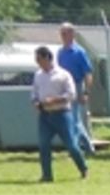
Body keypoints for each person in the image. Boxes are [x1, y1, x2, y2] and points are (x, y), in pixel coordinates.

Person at [31, 45, 88, 181]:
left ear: (47, 58)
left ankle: (83, 168)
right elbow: (34, 93)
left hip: (62, 114)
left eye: (39, 59)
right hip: (45, 116)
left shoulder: (63, 74)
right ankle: (47, 175)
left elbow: (71, 94)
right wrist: (35, 103)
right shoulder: (38, 75)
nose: (37, 62)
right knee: (44, 145)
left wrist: (55, 100)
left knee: (71, 145)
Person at [56, 22, 94, 157]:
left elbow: (88, 73)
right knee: (70, 119)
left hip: (77, 85)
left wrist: (85, 92)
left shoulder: (79, 52)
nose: (63, 36)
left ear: (72, 34)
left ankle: (82, 147)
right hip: (64, 87)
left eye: (66, 33)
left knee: (75, 119)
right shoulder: (60, 52)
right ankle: (82, 147)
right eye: (62, 34)